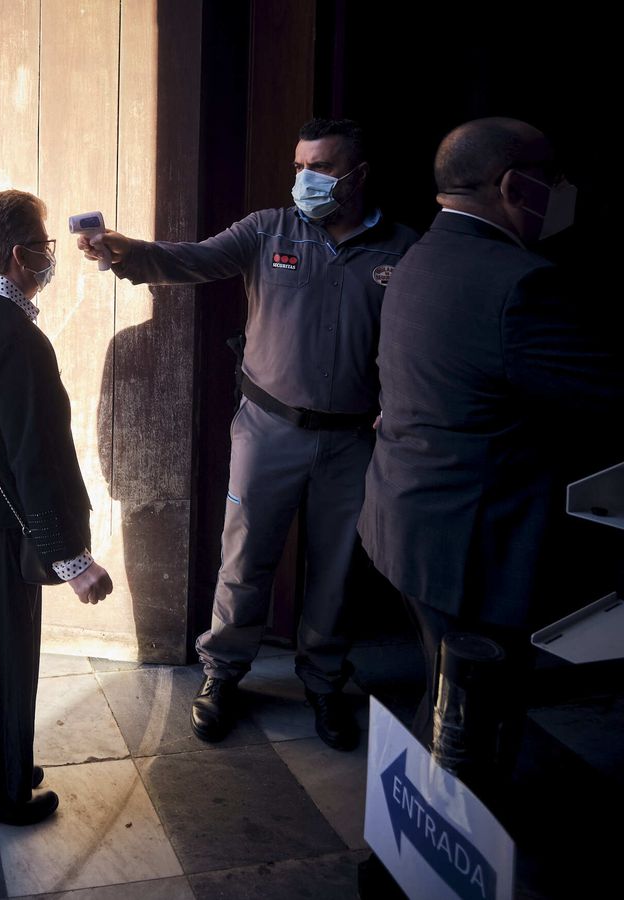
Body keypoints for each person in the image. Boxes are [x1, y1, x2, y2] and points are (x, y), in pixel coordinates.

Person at [82, 119, 419, 750]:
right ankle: (223, 675)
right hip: (268, 431)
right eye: (298, 166)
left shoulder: (402, 250)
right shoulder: (269, 230)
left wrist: (400, 406)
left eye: (318, 168)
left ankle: (324, 684)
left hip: (353, 443)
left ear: (359, 174)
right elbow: (193, 259)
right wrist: (129, 251)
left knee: (338, 572)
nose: (304, 181)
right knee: (243, 563)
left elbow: (424, 343)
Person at [359, 117, 622, 749]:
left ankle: (407, 840)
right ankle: (414, 847)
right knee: (475, 724)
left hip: (409, 521)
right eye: (554, 175)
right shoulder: (520, 282)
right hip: (470, 546)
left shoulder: (420, 255)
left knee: (447, 692)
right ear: (514, 185)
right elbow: (605, 399)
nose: (564, 187)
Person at [0, 189, 114, 827]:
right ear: (21, 256)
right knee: (3, 656)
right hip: (3, 522)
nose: (50, 255)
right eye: (44, 244)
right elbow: (32, 458)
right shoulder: (16, 339)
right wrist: (71, 558)